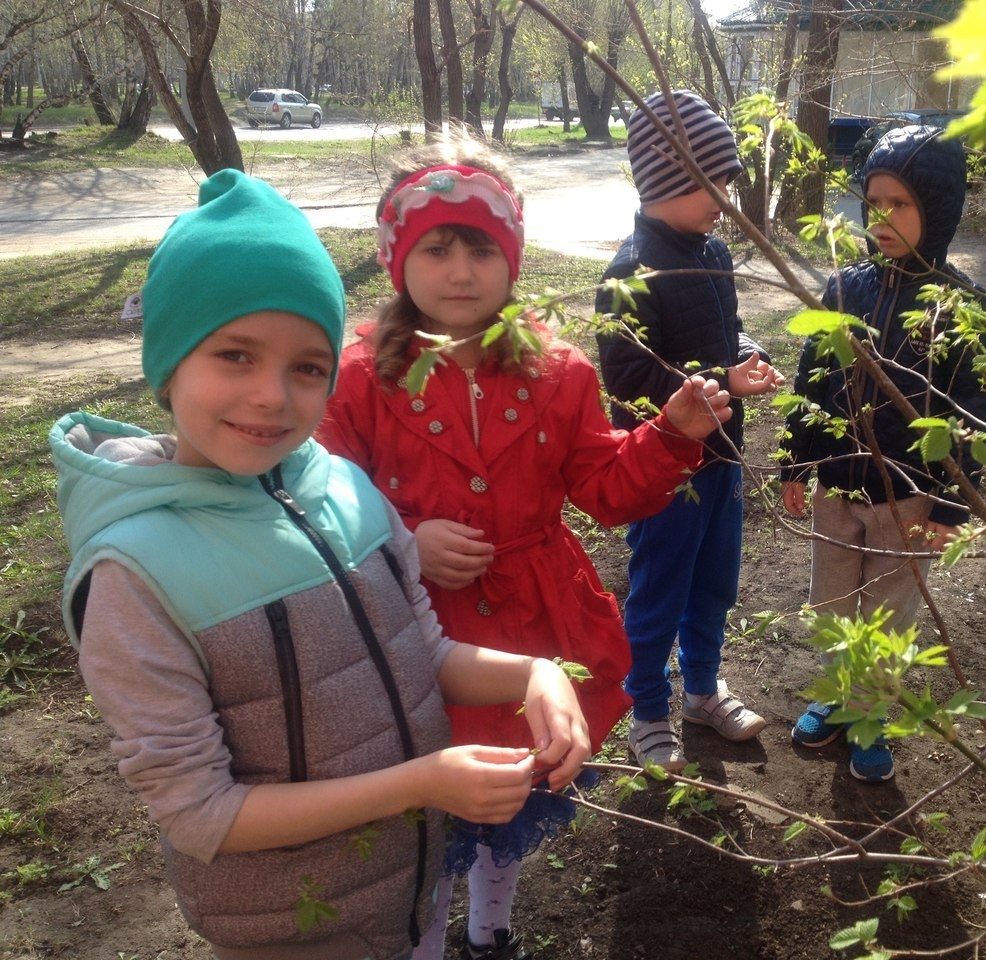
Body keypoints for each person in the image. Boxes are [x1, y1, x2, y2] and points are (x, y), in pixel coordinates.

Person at [49, 169, 591, 960]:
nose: (272, 395)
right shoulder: (135, 573)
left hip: (410, 880)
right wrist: (419, 784)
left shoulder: (343, 488)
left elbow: (423, 653)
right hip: (291, 924)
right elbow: (202, 814)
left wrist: (531, 673)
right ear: (167, 363)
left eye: (307, 366)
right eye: (235, 355)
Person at [315, 139, 733, 960]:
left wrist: (669, 436)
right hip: (414, 636)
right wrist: (400, 541)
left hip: (535, 624)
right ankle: (424, 941)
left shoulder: (560, 373)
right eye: (436, 248)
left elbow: (608, 490)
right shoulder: (357, 377)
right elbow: (318, 500)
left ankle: (492, 927)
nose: (460, 270)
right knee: (432, 811)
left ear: (511, 259)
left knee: (512, 792)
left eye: (480, 248)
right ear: (398, 258)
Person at [779, 124, 986, 782]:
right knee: (833, 603)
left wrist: (952, 512)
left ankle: (871, 714)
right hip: (837, 492)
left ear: (936, 210)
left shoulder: (963, 308)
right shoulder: (844, 289)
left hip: (907, 500)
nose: (883, 219)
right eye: (873, 204)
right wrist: (795, 459)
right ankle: (837, 696)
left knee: (888, 610)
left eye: (900, 204)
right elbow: (812, 378)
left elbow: (971, 417)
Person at [594, 89, 786, 773]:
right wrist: (720, 381)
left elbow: (725, 327)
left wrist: (746, 352)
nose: (725, 196)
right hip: (663, 472)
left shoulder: (710, 252)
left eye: (729, 178)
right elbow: (630, 384)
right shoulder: (631, 273)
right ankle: (647, 705)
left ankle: (703, 689)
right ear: (669, 177)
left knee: (714, 585)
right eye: (715, 180)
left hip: (721, 459)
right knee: (658, 591)